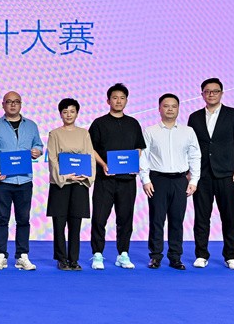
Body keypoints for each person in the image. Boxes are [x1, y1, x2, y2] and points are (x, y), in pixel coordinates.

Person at [187, 78, 234, 270]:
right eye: (207, 91)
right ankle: (201, 255)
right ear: (202, 94)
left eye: (215, 91)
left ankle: (231, 256)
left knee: (229, 216)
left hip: (227, 174)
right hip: (202, 175)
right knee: (201, 217)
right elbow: (190, 146)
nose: (211, 94)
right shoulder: (194, 117)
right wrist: (190, 171)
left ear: (222, 93)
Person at [0, 91, 43, 271]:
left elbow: (38, 145)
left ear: (21, 104)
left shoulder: (31, 126)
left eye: (16, 102)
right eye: (9, 102)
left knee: (23, 219)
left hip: (24, 180)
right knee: (2, 219)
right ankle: (1, 255)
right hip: (3, 180)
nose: (13, 105)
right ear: (3, 105)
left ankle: (22, 256)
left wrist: (37, 151)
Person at [88, 83, 146, 270]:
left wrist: (133, 163)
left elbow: (138, 147)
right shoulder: (99, 123)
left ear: (126, 101)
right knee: (99, 218)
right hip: (105, 179)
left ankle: (123, 254)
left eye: (122, 98)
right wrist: (103, 164)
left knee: (125, 218)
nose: (118, 101)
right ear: (108, 101)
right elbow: (91, 148)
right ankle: (98, 254)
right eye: (115, 98)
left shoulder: (133, 123)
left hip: (127, 180)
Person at [140, 93, 201, 270]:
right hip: (157, 180)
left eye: (174, 106)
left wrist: (194, 180)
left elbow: (195, 156)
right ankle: (155, 256)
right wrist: (145, 179)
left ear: (178, 109)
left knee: (177, 220)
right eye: (166, 106)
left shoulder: (188, 131)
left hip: (180, 180)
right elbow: (143, 156)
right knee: (156, 220)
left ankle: (175, 257)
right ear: (159, 109)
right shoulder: (150, 131)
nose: (170, 109)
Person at [46, 98, 95, 271]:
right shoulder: (54, 134)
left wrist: (86, 176)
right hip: (61, 184)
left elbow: (90, 157)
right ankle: (61, 258)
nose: (69, 115)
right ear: (60, 114)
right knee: (59, 223)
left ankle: (74, 259)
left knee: (76, 223)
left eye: (72, 111)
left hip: (79, 183)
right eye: (65, 112)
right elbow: (52, 159)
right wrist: (64, 176)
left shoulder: (84, 133)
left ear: (77, 113)